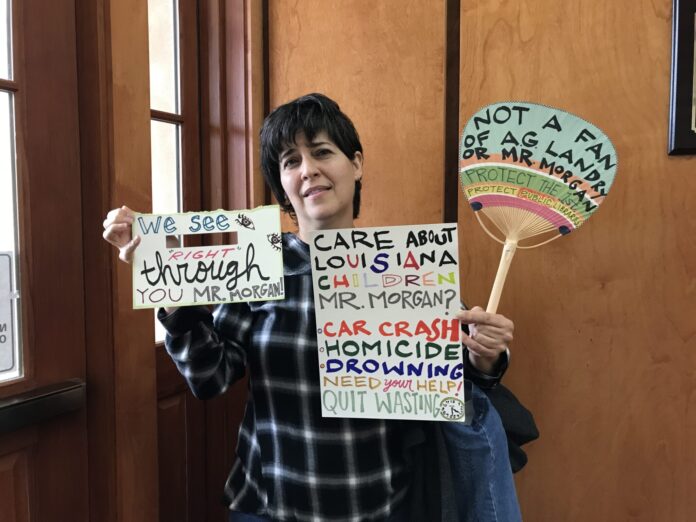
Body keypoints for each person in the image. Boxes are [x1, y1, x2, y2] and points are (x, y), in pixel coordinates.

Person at [103, 93, 521, 521]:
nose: (308, 170)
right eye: (290, 161)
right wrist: (170, 280)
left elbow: (461, 380)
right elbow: (210, 376)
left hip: (380, 505)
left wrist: (487, 357)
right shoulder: (260, 264)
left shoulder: (405, 263)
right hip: (270, 506)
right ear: (281, 183)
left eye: (322, 152)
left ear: (355, 164)